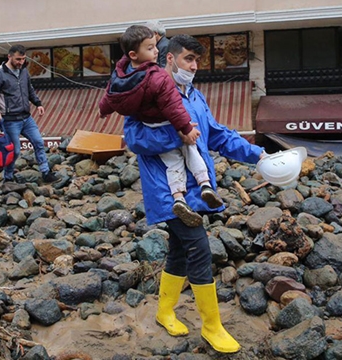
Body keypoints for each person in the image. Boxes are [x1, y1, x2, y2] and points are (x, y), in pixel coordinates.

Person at [123, 34, 268, 354]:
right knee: (200, 248)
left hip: (197, 189)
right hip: (168, 191)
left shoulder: (195, 96)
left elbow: (217, 135)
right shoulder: (146, 94)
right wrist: (176, 134)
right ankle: (212, 326)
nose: (195, 66)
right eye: (189, 58)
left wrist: (259, 156)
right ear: (169, 59)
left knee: (178, 251)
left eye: (197, 60)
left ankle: (163, 312)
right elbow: (133, 138)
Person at [99, 25, 222, 227]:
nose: (156, 51)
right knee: (192, 151)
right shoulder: (158, 77)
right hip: (168, 126)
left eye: (155, 46)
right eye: (150, 48)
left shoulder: (120, 78)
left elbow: (108, 98)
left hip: (150, 126)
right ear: (134, 54)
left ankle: (178, 198)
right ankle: (205, 185)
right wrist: (185, 130)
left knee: (173, 164)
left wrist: (102, 111)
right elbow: (173, 107)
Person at [0, 44, 59, 184]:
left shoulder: (24, 71)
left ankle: (45, 172)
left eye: (23, 59)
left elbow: (29, 89)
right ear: (9, 56)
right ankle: (8, 177)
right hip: (9, 119)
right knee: (15, 150)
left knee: (38, 142)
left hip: (26, 117)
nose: (21, 62)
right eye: (18, 59)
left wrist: (38, 103)